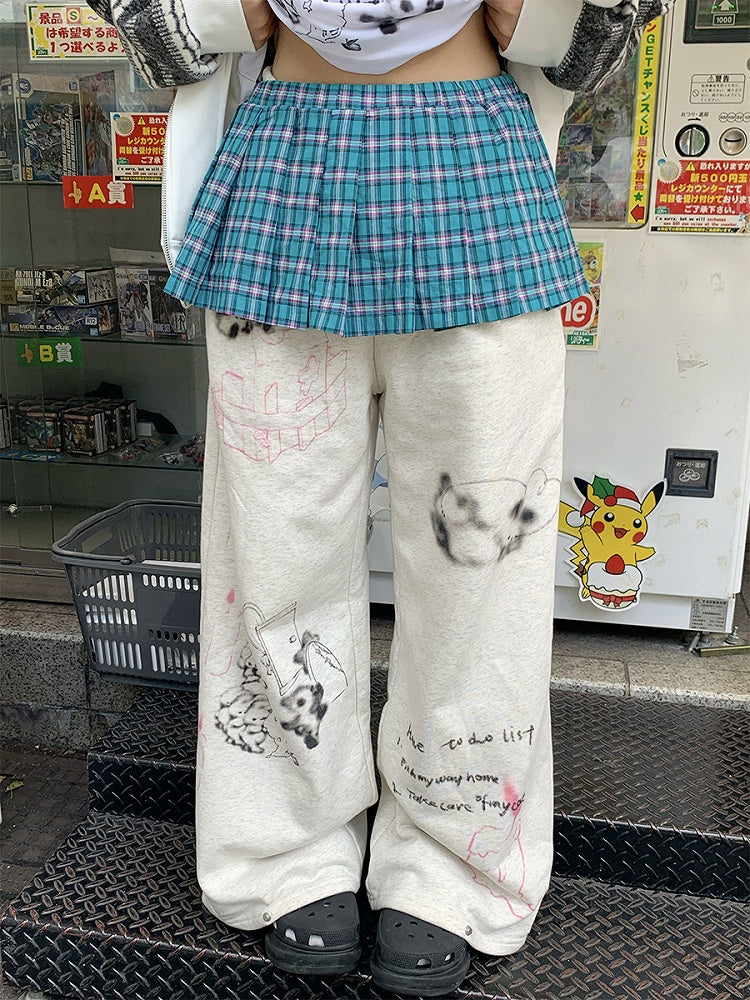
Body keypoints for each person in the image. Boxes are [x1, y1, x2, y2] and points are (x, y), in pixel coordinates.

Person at [88, 1, 678, 995]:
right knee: (274, 550)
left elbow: (606, 24)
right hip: (284, 162)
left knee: (480, 570)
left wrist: (545, 11)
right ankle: (287, 847)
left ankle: (454, 854)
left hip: (477, 172)